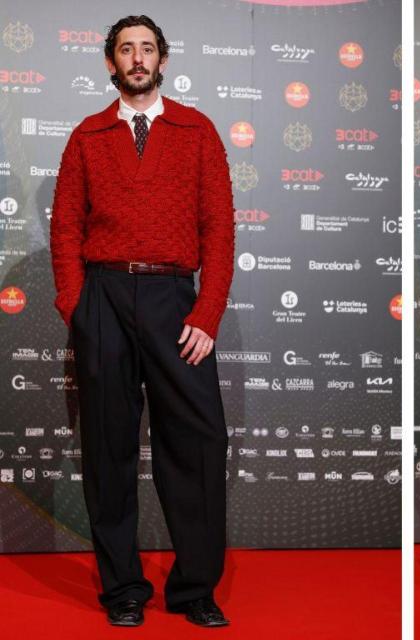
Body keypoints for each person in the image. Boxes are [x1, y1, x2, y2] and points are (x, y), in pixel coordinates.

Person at [50, 15, 233, 627]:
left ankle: (194, 589)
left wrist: (206, 312)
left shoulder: (198, 130)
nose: (136, 58)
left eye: (147, 48)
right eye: (125, 49)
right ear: (109, 62)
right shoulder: (86, 135)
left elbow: (221, 230)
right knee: (108, 452)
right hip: (102, 298)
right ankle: (123, 589)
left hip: (174, 301)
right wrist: (77, 307)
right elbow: (66, 227)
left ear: (163, 60)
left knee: (199, 446)